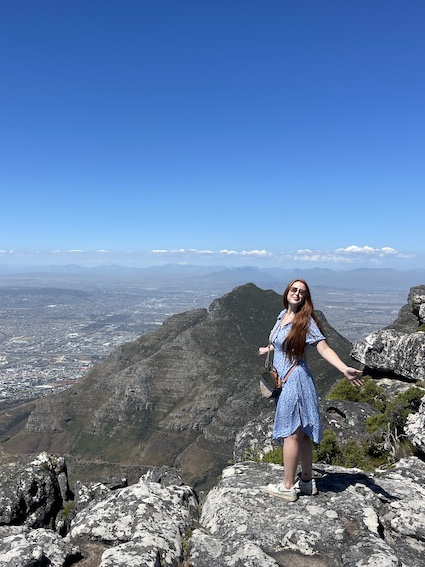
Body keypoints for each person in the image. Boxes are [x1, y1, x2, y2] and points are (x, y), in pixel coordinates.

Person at [258, 279, 363, 502]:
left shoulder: (305, 321)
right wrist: (267, 349)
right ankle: (306, 482)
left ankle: (287, 487)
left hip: (295, 382)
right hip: (286, 381)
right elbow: (282, 342)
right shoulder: (281, 316)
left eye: (302, 292)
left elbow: (323, 348)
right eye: (294, 290)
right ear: (287, 292)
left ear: (305, 298)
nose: (297, 294)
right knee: (303, 433)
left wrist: (343, 368)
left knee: (291, 433)